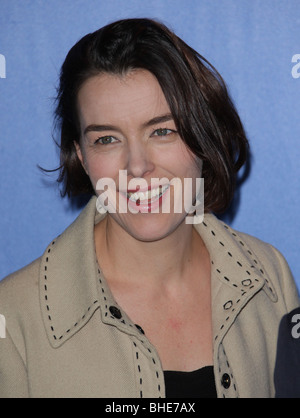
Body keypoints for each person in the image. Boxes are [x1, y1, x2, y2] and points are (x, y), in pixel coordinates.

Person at [0, 18, 299, 399]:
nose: (137, 167)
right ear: (81, 156)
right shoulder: (13, 318)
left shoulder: (270, 278)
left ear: (201, 137)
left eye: (162, 131)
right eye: (107, 139)